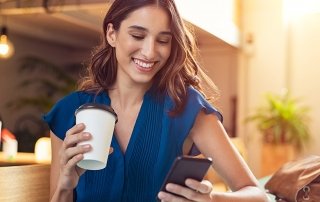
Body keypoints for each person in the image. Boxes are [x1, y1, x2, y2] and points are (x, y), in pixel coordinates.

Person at [44, 0, 269, 201]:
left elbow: (257, 194)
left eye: (163, 40)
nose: (150, 52)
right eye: (138, 36)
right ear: (112, 34)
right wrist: (65, 187)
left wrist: (212, 200)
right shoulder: (69, 112)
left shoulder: (187, 108)